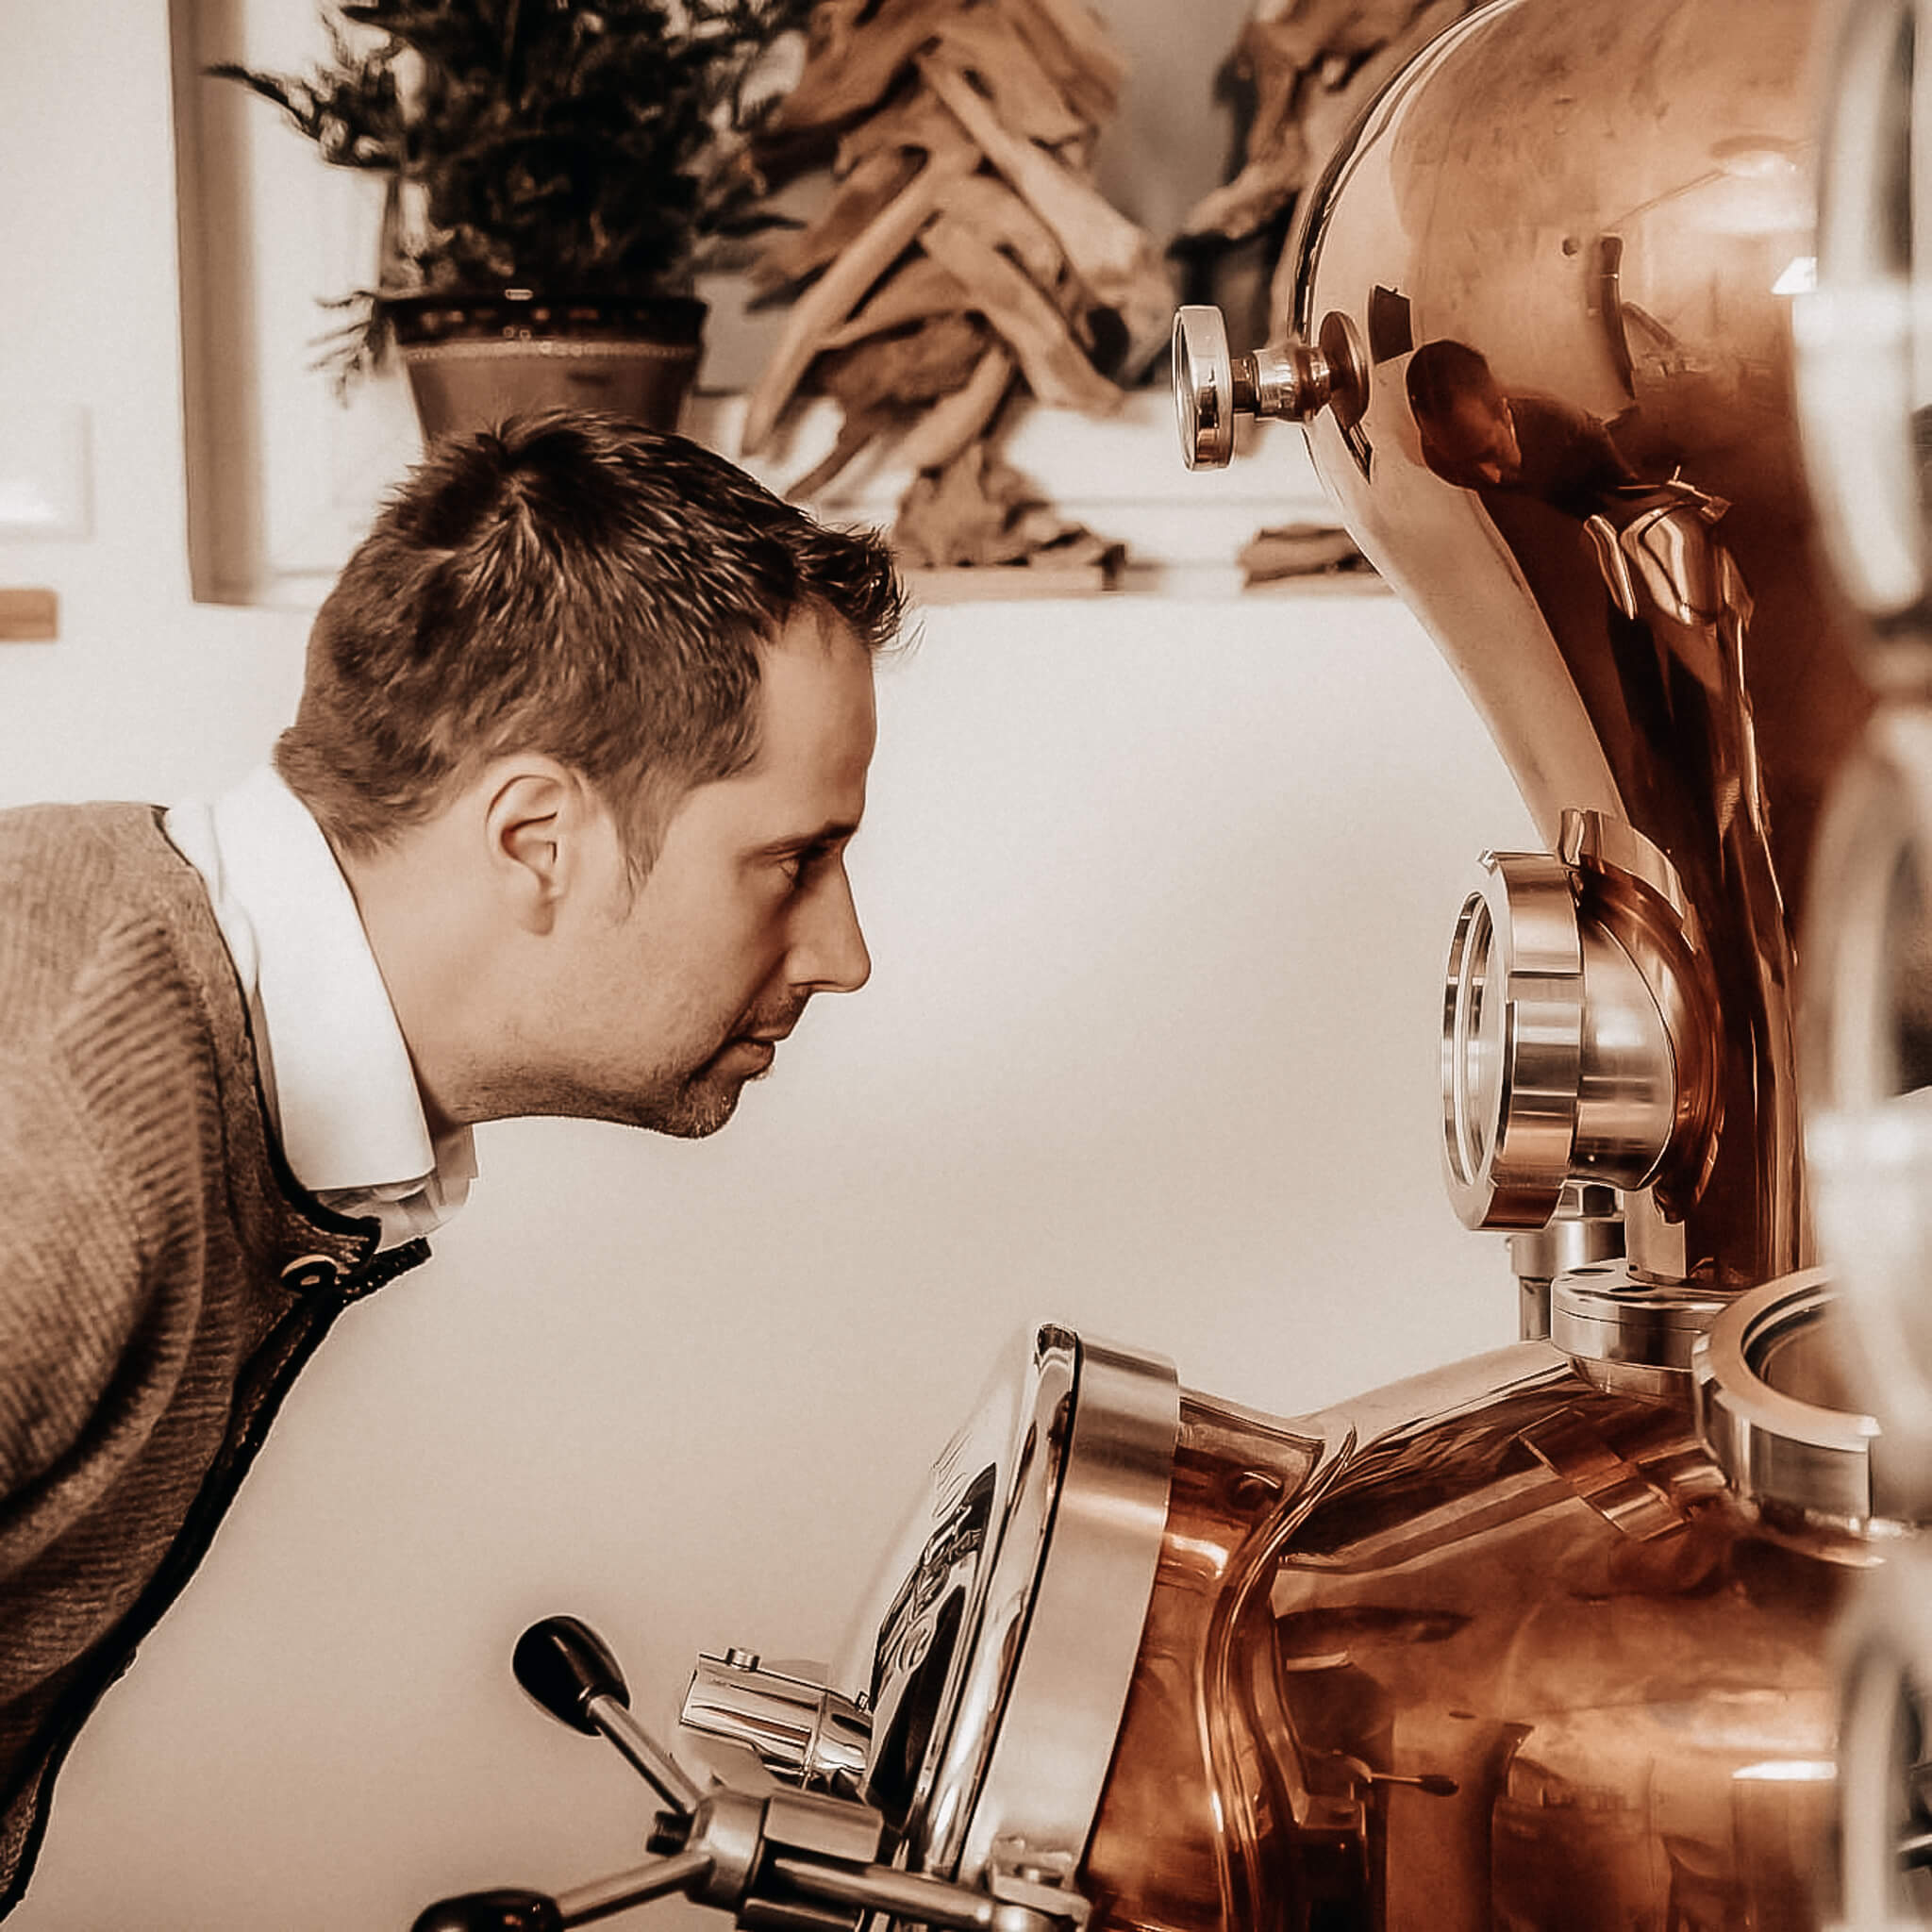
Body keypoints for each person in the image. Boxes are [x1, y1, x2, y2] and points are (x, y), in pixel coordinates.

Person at [0, 409, 906, 1914]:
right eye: (794, 858)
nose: (843, 952)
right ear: (538, 837)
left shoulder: (194, 1045)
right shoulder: (52, 1139)